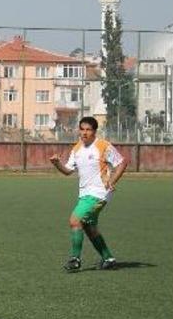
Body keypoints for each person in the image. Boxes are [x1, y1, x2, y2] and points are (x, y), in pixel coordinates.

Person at [49, 116, 127, 271]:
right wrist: (57, 163)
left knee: (75, 220)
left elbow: (122, 162)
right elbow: (68, 171)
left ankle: (75, 259)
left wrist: (112, 181)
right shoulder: (77, 148)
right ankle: (109, 259)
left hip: (99, 193)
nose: (84, 133)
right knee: (88, 227)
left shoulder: (103, 146)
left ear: (94, 131)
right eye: (82, 129)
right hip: (85, 194)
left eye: (88, 130)